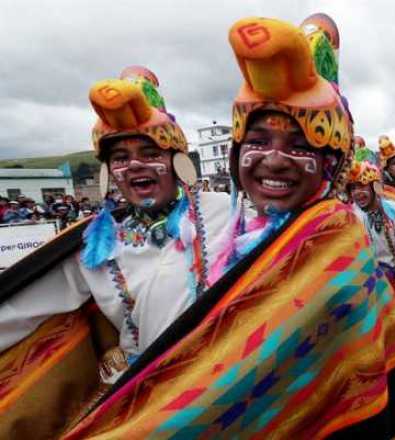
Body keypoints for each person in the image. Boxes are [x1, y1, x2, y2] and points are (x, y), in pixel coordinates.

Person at [64, 15, 395, 438]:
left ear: (332, 164)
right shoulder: (233, 222)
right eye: (257, 141)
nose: (275, 159)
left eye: (300, 145)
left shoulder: (334, 241)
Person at [0, 66, 233, 438]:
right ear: (110, 172)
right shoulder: (95, 246)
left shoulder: (224, 211)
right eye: (121, 156)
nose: (135, 164)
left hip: (228, 391)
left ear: (176, 160)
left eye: (149, 151)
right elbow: (21, 310)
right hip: (142, 406)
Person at [347, 149, 395, 280]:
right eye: (353, 188)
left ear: (375, 187)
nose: (357, 193)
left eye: (362, 186)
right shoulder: (351, 217)